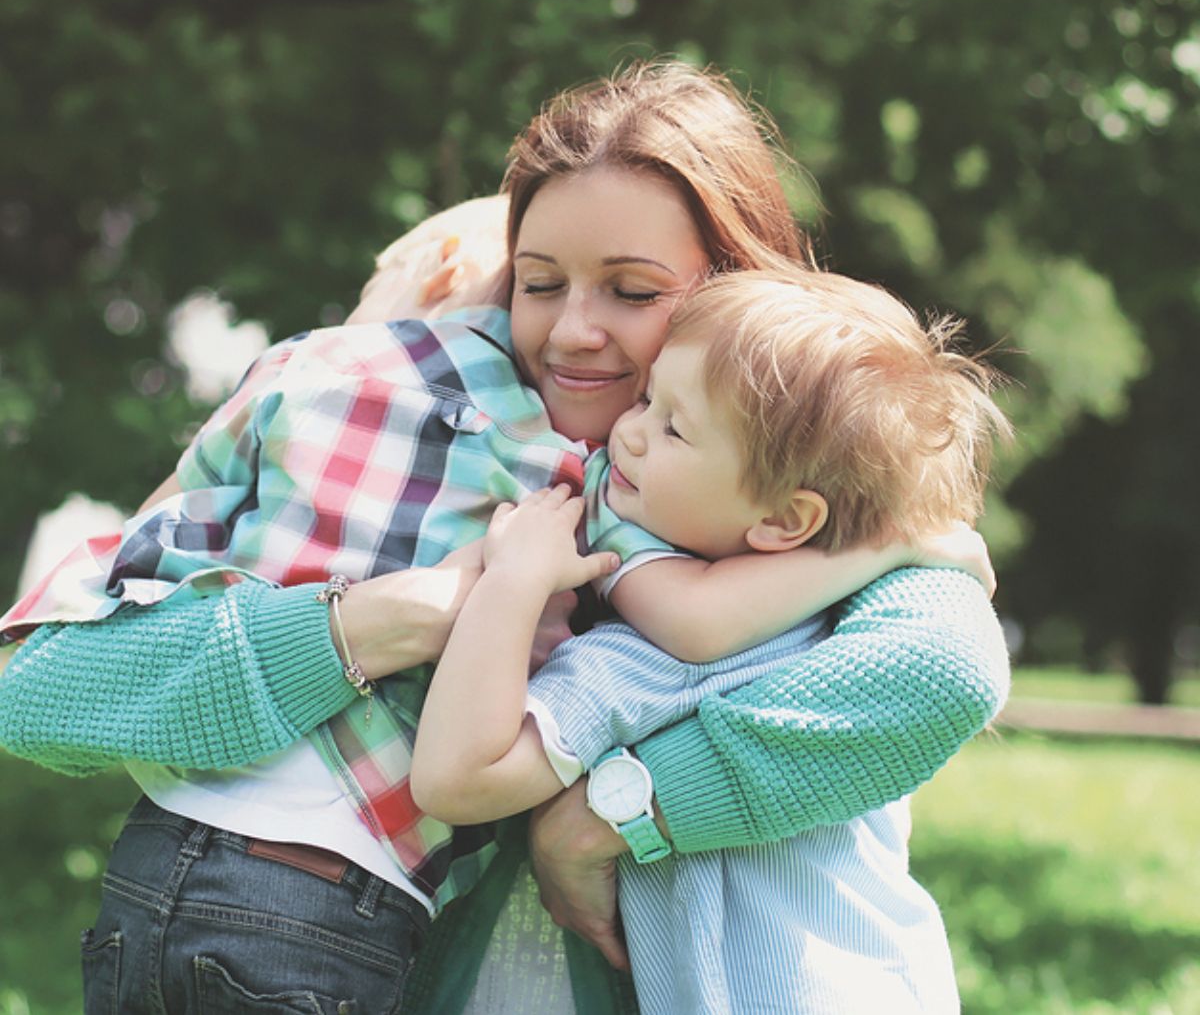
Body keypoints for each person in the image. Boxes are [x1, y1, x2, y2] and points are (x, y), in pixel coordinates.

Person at [0, 61, 1007, 1013]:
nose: (573, 330)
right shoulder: (420, 427)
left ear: (740, 293)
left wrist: (607, 815)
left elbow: (940, 672)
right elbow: (38, 685)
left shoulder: (830, 479)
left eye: (636, 290)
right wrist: (374, 623)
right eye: (536, 282)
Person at [410, 265, 1009, 1013]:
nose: (626, 431)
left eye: (672, 426)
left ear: (788, 522)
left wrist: (514, 580)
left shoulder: (662, 665)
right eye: (649, 397)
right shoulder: (851, 630)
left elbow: (455, 779)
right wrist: (894, 544)